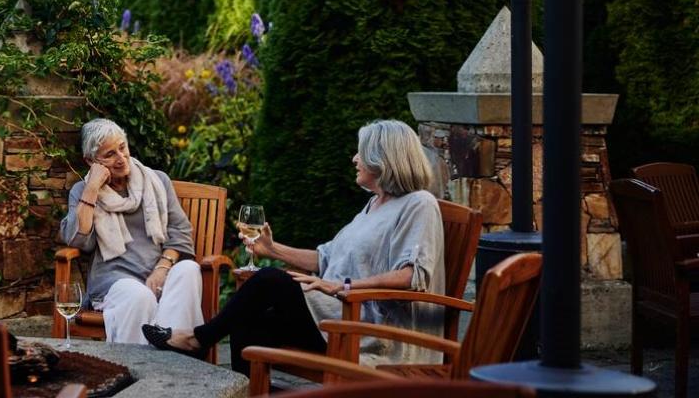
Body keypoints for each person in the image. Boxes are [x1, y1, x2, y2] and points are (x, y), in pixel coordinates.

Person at [143, 119, 444, 374]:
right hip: (338, 316)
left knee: (271, 280)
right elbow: (325, 258)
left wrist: (343, 287)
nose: (354, 158)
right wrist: (273, 250)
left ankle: (198, 339)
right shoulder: (373, 205)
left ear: (383, 160)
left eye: (361, 153)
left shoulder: (419, 204)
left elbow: (412, 277)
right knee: (250, 324)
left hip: (373, 333)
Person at [58, 118, 203, 344]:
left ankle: (178, 358)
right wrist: (92, 188)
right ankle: (141, 366)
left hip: (158, 270)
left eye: (122, 147)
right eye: (109, 154)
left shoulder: (157, 180)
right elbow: (79, 240)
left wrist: (163, 268)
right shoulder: (83, 191)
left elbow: (180, 230)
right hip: (115, 280)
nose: (121, 158)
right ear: (90, 161)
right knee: (140, 296)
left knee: (188, 269)